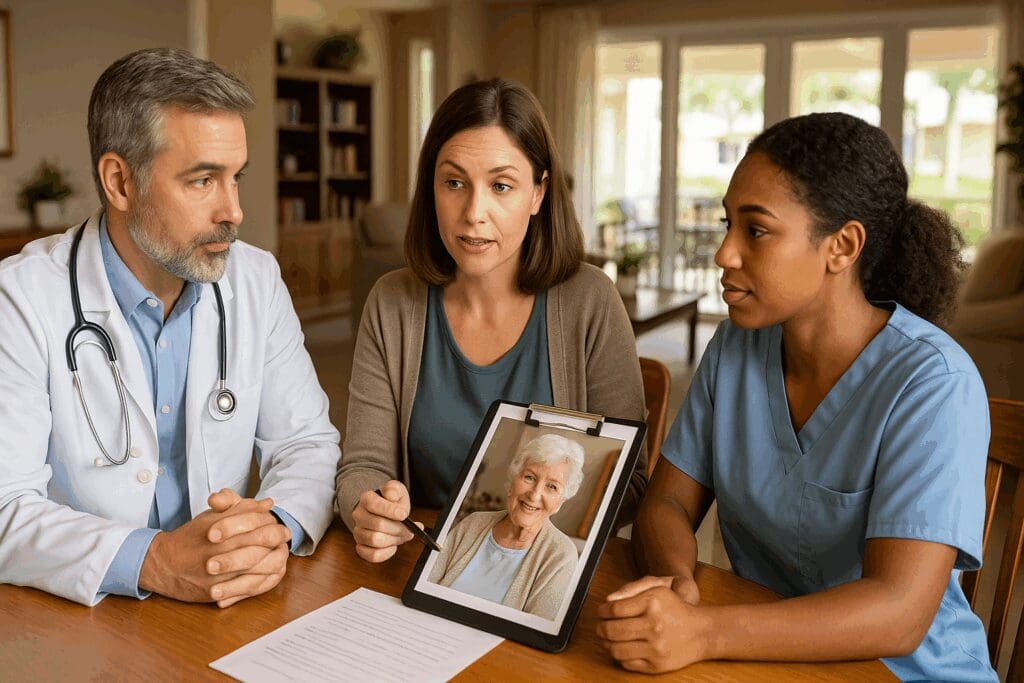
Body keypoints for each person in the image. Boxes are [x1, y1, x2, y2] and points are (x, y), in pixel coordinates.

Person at [598, 112, 997, 682]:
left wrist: (706, 631)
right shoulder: (736, 347)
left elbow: (899, 612)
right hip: (765, 661)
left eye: (755, 230)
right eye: (726, 224)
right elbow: (665, 505)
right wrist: (678, 582)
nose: (724, 254)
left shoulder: (932, 383)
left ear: (842, 246)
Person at [0, 48, 340, 607]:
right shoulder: (23, 297)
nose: (233, 211)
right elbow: (7, 505)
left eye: (237, 178)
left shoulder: (254, 279)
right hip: (80, 617)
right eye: (203, 180)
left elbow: (306, 443)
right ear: (120, 182)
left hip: (231, 601)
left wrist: (269, 529)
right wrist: (154, 560)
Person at [335, 78, 645, 562]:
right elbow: (364, 464)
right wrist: (369, 508)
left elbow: (630, 483)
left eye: (502, 186)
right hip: (422, 566)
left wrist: (524, 522)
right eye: (454, 182)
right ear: (431, 186)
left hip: (540, 568)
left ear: (539, 193)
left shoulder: (591, 300)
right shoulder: (392, 301)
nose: (473, 213)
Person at [429, 433, 583, 619]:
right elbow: (425, 585)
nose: (534, 495)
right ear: (512, 482)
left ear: (559, 503)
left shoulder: (561, 555)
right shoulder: (473, 523)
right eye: (529, 477)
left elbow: (535, 630)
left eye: (552, 487)